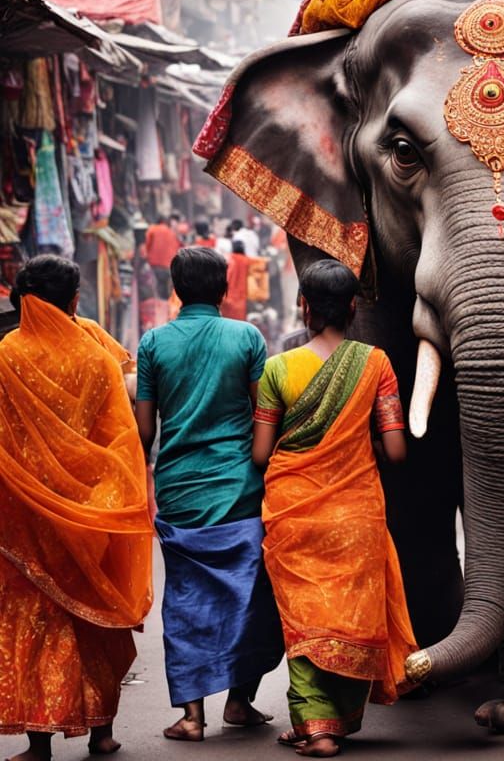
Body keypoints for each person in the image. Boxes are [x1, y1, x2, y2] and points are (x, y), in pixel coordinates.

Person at [253, 260, 418, 757]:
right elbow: (396, 451)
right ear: (353, 308)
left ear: (303, 306)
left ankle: (316, 725)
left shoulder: (278, 369)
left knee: (304, 619)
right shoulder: (376, 364)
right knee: (350, 617)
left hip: (293, 511)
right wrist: (356, 438)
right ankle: (332, 721)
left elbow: (260, 454)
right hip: (356, 511)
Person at [0, 255, 152, 761]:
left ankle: (39, 741)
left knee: (35, 619)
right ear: (73, 300)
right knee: (93, 615)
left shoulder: (7, 354)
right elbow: (119, 436)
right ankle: (102, 732)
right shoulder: (95, 354)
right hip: (89, 506)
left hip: (26, 512)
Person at [135, 247, 282, 741]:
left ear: (176, 290)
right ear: (224, 288)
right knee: (250, 596)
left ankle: (192, 717)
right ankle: (239, 701)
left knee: (186, 602)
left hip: (179, 490)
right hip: (240, 488)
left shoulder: (153, 343)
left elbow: (145, 431)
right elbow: (264, 413)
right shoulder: (247, 337)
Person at [145, 215, 182, 299]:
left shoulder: (152, 229)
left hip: (155, 265)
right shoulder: (171, 232)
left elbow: (146, 245)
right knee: (167, 291)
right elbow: (178, 248)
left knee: (157, 290)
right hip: (169, 266)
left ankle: (160, 303)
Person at [223, 240, 251, 321]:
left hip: (228, 297)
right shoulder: (247, 261)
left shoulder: (229, 259)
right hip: (242, 299)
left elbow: (226, 278)